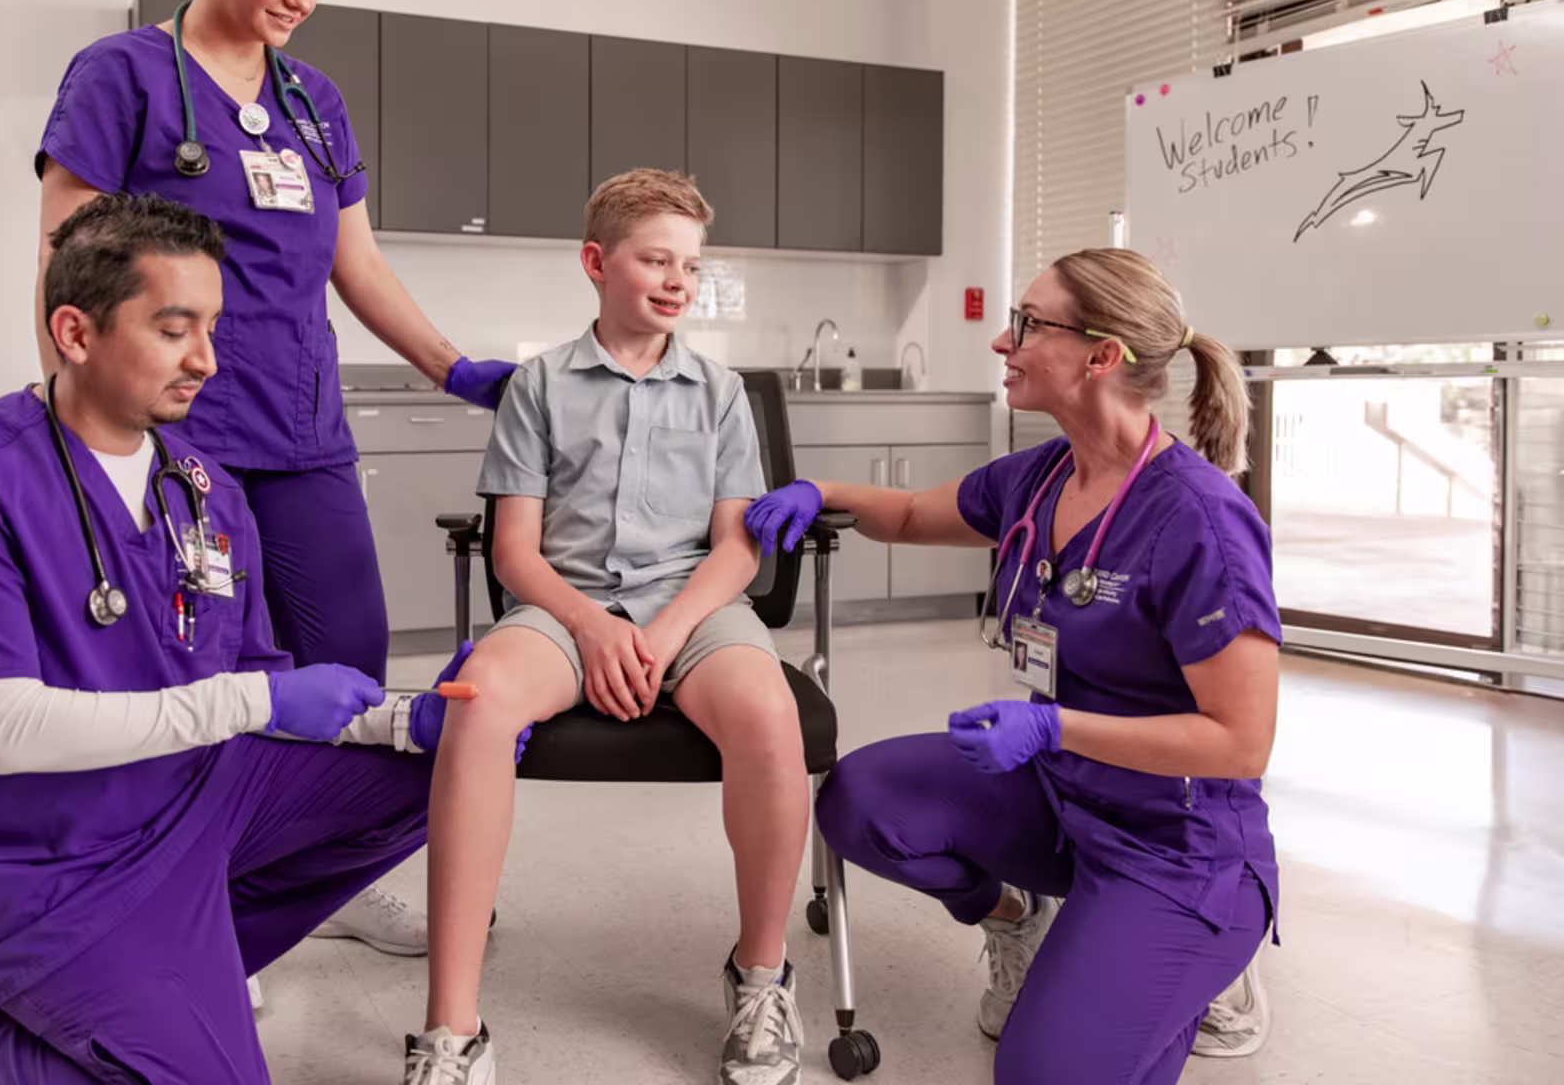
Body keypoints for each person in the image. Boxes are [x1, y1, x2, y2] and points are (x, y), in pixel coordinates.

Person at [0, 194, 525, 1085]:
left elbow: (253, 678)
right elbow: (9, 734)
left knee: (441, 772)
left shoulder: (203, 488)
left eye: (213, 327)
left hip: (191, 800)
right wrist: (261, 699)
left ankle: (173, 960)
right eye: (175, 329)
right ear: (75, 331)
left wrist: (401, 723)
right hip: (31, 857)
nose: (207, 361)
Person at [33, 0, 514, 954]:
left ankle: (304, 887)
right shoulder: (122, 77)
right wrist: (86, 425)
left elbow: (360, 265)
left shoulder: (314, 102)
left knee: (348, 652)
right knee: (193, 666)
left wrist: (453, 365)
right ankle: (183, 893)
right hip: (172, 431)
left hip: (300, 427)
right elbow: (68, 255)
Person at [746, 247, 1279, 1083]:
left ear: (1102, 356)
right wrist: (820, 489)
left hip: (1175, 844)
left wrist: (1052, 724)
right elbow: (917, 514)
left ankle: (1199, 967)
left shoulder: (1201, 521)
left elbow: (1240, 743)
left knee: (1039, 1073)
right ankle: (1016, 914)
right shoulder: (1042, 476)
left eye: (1028, 324)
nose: (1003, 341)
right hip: (1061, 793)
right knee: (862, 800)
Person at [402, 170, 811, 1085]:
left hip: (694, 610)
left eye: (691, 267)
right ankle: (451, 1029)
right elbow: (514, 553)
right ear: (596, 262)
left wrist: (663, 636)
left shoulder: (719, 392)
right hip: (562, 603)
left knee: (770, 716)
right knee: (476, 704)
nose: (676, 281)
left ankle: (761, 977)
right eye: (655, 259)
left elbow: (736, 552)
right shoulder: (538, 387)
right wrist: (589, 628)